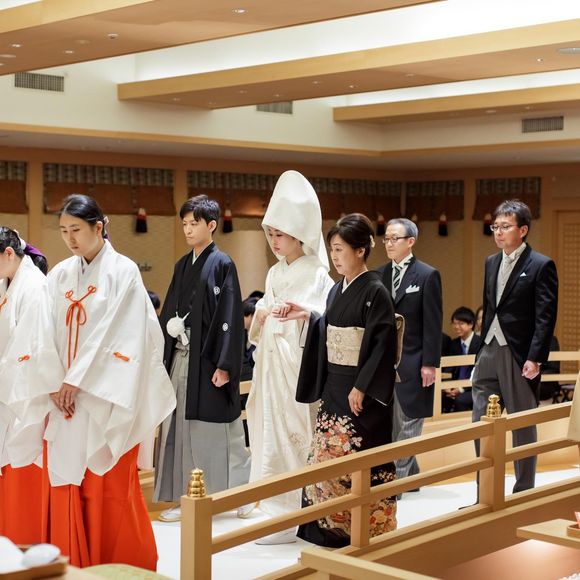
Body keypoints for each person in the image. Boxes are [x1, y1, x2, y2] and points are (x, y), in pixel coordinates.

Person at [45, 194, 176, 568]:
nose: (70, 239)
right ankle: (72, 562)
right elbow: (43, 333)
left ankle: (117, 563)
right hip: (63, 398)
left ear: (98, 227)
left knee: (107, 484)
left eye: (76, 229)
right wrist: (54, 381)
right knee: (68, 480)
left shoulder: (123, 272)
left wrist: (77, 381)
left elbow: (122, 335)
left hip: (104, 395)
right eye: (63, 231)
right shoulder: (59, 275)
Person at [282, 213, 398, 548]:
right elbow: (328, 327)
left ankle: (364, 529)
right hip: (335, 386)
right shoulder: (336, 290)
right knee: (325, 457)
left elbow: (382, 344)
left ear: (360, 250)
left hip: (361, 390)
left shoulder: (376, 291)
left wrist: (362, 386)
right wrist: (309, 316)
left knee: (357, 459)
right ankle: (327, 528)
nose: (334, 256)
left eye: (340, 249)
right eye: (332, 249)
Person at [244, 170, 334, 536]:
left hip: (297, 363)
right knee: (268, 428)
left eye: (279, 234)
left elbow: (324, 317)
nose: (274, 242)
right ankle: (271, 506)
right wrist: (264, 312)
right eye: (270, 235)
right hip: (272, 364)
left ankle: (299, 508)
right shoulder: (274, 273)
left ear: (298, 233)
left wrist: (301, 313)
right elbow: (263, 309)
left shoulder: (317, 273)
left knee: (297, 430)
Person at [154, 194, 250, 522]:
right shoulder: (183, 265)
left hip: (208, 360)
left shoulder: (222, 264)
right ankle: (188, 497)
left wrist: (225, 364)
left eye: (193, 223)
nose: (187, 229)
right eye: (184, 224)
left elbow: (229, 315)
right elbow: (170, 309)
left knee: (220, 429)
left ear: (211, 225)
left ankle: (239, 494)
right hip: (182, 355)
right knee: (180, 427)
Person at [472, 199, 558, 493]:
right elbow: (489, 307)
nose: (498, 232)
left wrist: (535, 358)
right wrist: (480, 348)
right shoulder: (491, 261)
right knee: (481, 422)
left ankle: (523, 490)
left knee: (522, 423)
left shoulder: (541, 264)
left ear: (522, 230)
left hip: (518, 353)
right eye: (495, 226)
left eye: (505, 226)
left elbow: (545, 317)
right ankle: (484, 491)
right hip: (488, 349)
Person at [0, 229, 60, 545]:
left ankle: (27, 540)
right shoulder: (6, 282)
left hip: (26, 392)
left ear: (9, 254)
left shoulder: (35, 286)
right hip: (7, 383)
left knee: (23, 463)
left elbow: (35, 345)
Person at [377, 218, 442, 486]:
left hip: (414, 360)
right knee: (389, 423)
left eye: (395, 239)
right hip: (384, 362)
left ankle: (396, 486)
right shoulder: (379, 274)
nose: (389, 244)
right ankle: (412, 477)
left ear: (411, 241)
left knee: (408, 422)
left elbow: (433, 323)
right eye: (386, 239)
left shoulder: (427, 275)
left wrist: (430, 363)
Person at [442, 306, 481, 413]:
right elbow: (449, 368)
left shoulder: (480, 343)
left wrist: (461, 389)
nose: (456, 327)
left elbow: (478, 371)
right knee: (441, 397)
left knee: (460, 400)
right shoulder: (454, 344)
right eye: (454, 323)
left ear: (471, 324)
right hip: (455, 385)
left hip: (473, 386)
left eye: (461, 323)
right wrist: (447, 386)